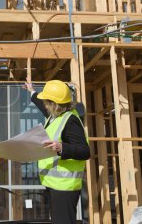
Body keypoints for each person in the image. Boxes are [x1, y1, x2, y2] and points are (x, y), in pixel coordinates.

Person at [24, 80, 90, 224]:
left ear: (54, 104)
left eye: (47, 101)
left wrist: (62, 148)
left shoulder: (71, 121)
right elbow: (42, 106)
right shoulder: (56, 116)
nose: (45, 105)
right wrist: (32, 92)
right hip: (54, 185)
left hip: (64, 187)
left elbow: (85, 151)